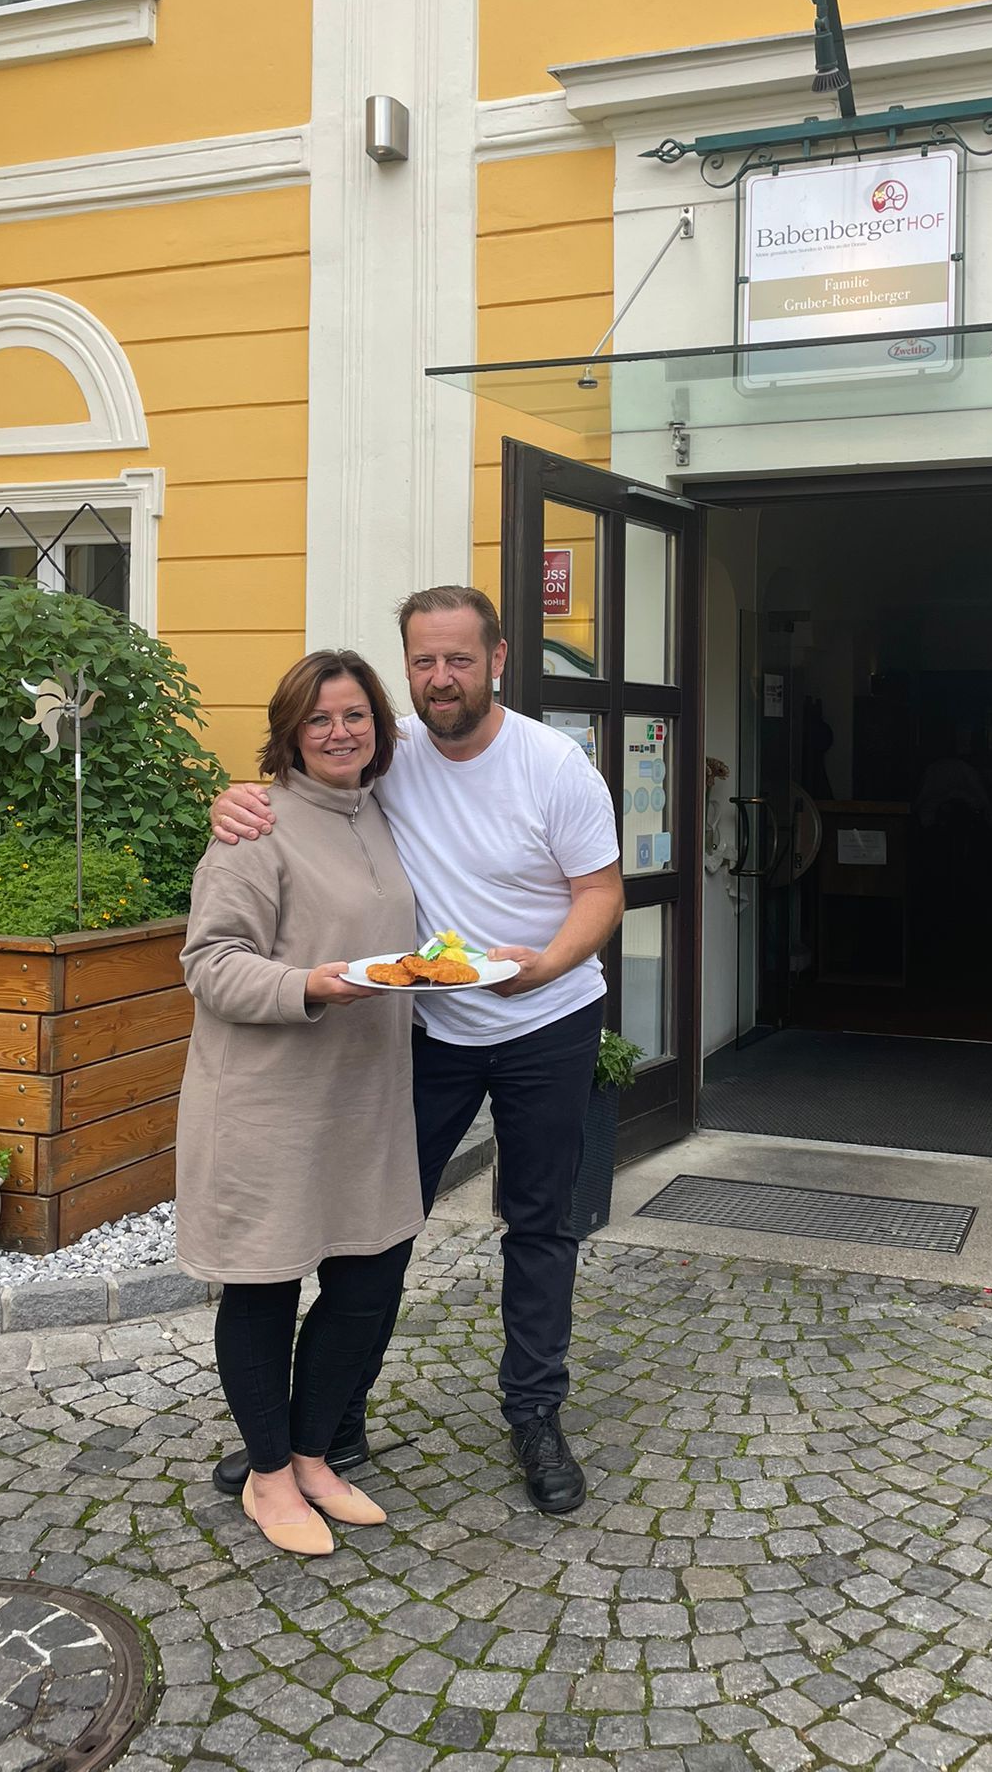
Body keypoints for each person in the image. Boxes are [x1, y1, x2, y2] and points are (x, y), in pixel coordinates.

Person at [208, 586, 623, 1514]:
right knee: (382, 1229)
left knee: (540, 1224)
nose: (442, 678)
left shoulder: (555, 765)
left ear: (498, 660)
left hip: (547, 1021)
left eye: (460, 660)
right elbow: (305, 780)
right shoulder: (387, 751)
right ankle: (323, 1426)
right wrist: (231, 799)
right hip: (427, 1029)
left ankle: (535, 1414)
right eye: (424, 661)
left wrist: (545, 966)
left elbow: (601, 892)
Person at [176, 650, 425, 1557]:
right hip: (268, 1102)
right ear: (290, 732)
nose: (339, 732)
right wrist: (308, 984)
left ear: (379, 728)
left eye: (355, 715)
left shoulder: (380, 812)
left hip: (365, 1098)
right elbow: (209, 963)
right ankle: (270, 1474)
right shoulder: (255, 828)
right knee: (266, 1286)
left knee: (367, 1280)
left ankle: (316, 1455)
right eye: (318, 718)